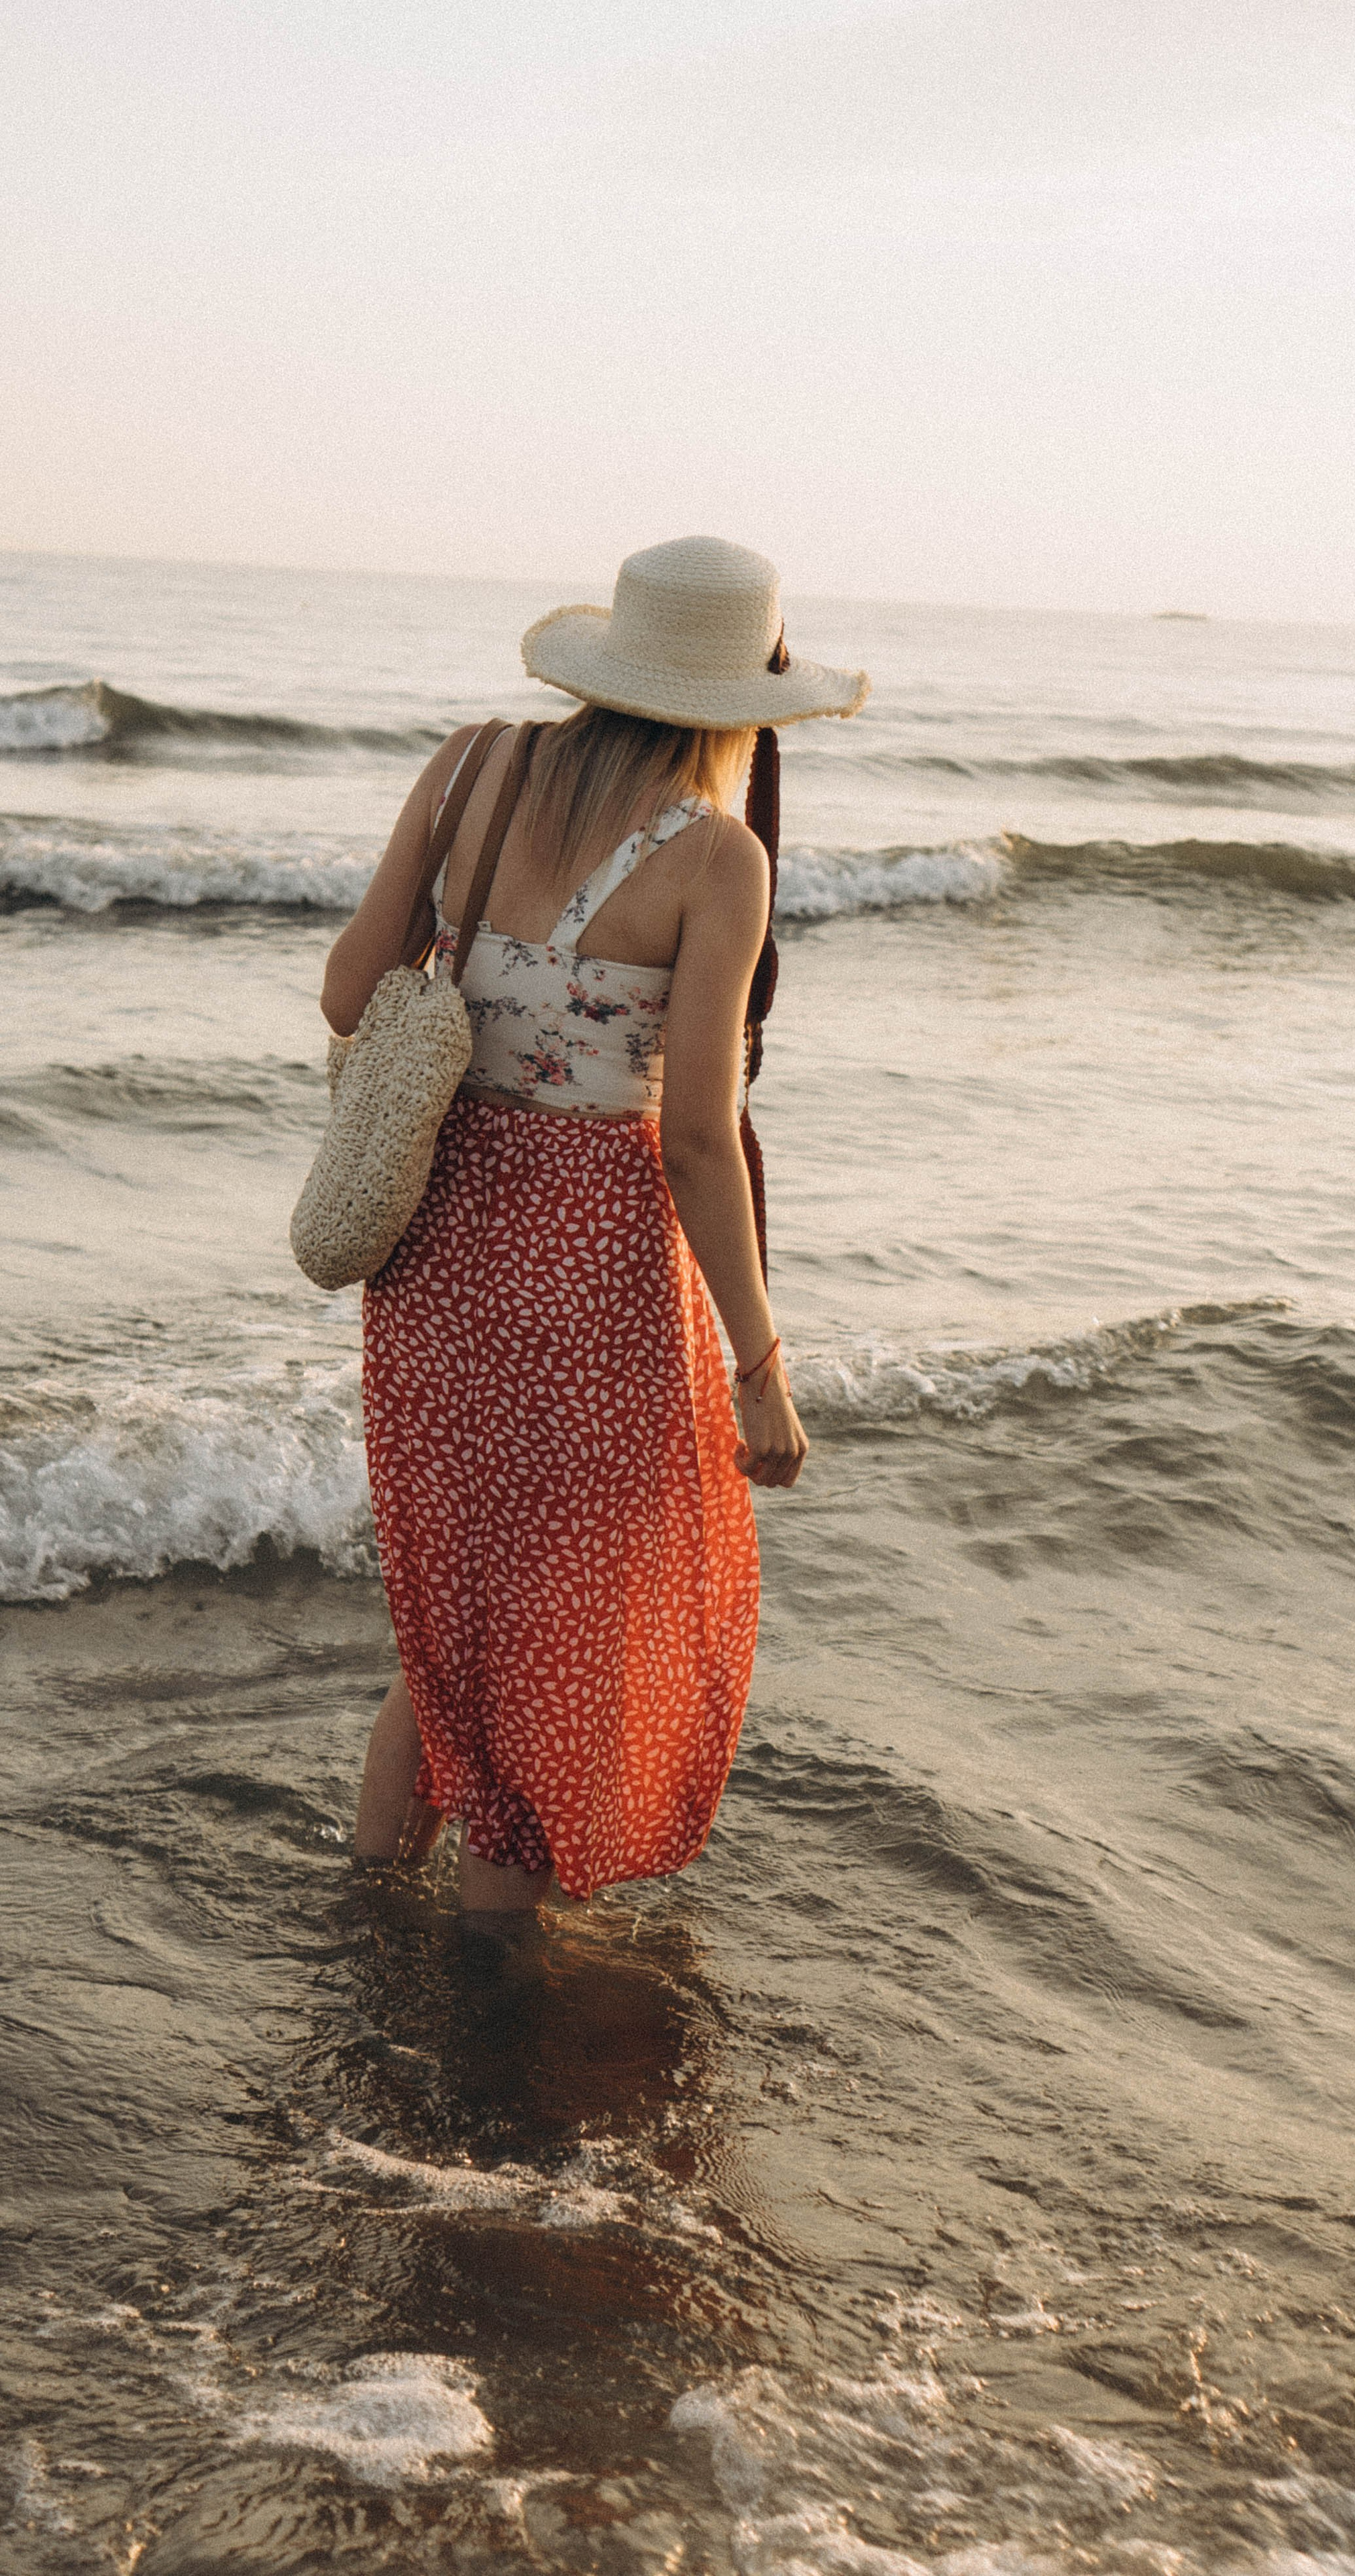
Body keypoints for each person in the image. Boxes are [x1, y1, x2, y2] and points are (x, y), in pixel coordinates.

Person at [319, 537, 869, 1915]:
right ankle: (491, 2005)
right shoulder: (716, 859)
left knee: (457, 1619)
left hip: (435, 1242)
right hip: (593, 1266)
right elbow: (692, 1140)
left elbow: (347, 993)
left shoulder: (468, 767)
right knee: (560, 1633)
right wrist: (758, 1359)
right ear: (742, 700)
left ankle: (371, 1923)